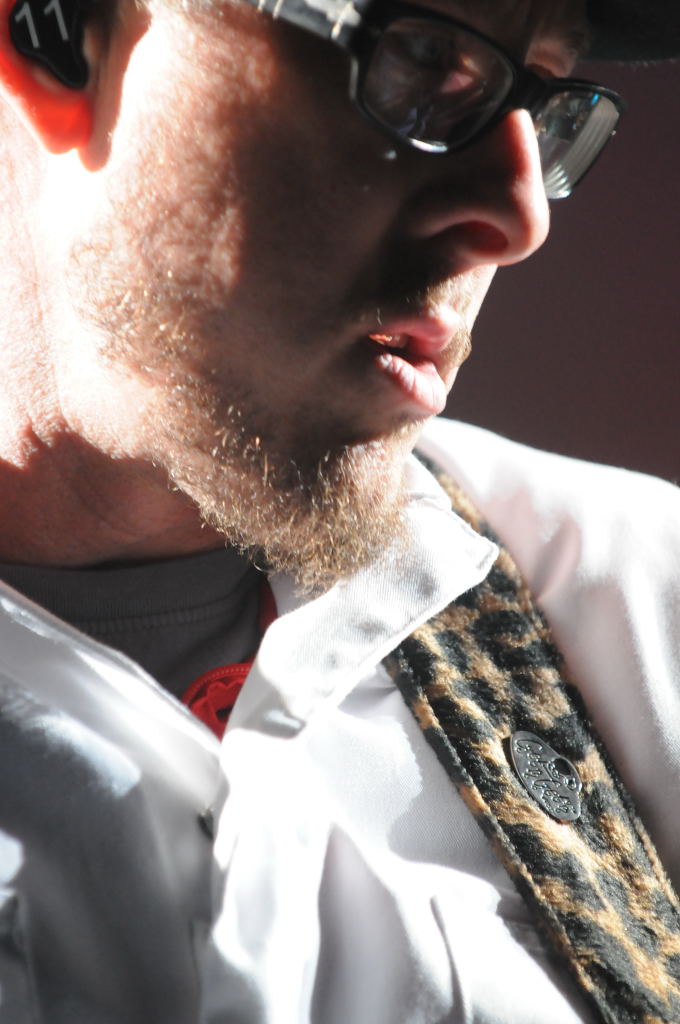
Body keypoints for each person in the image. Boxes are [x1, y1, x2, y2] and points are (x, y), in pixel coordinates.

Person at [0, 0, 678, 1018]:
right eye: (422, 59)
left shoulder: (634, 606)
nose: (518, 216)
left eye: (544, 108)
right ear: (52, 41)